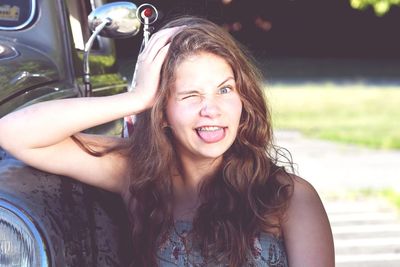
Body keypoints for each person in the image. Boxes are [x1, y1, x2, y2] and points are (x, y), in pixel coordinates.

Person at [0, 17, 334, 267]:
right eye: (190, 95)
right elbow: (14, 133)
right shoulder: (138, 175)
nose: (212, 110)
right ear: (162, 112)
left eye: (225, 89)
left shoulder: (289, 197)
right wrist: (138, 97)